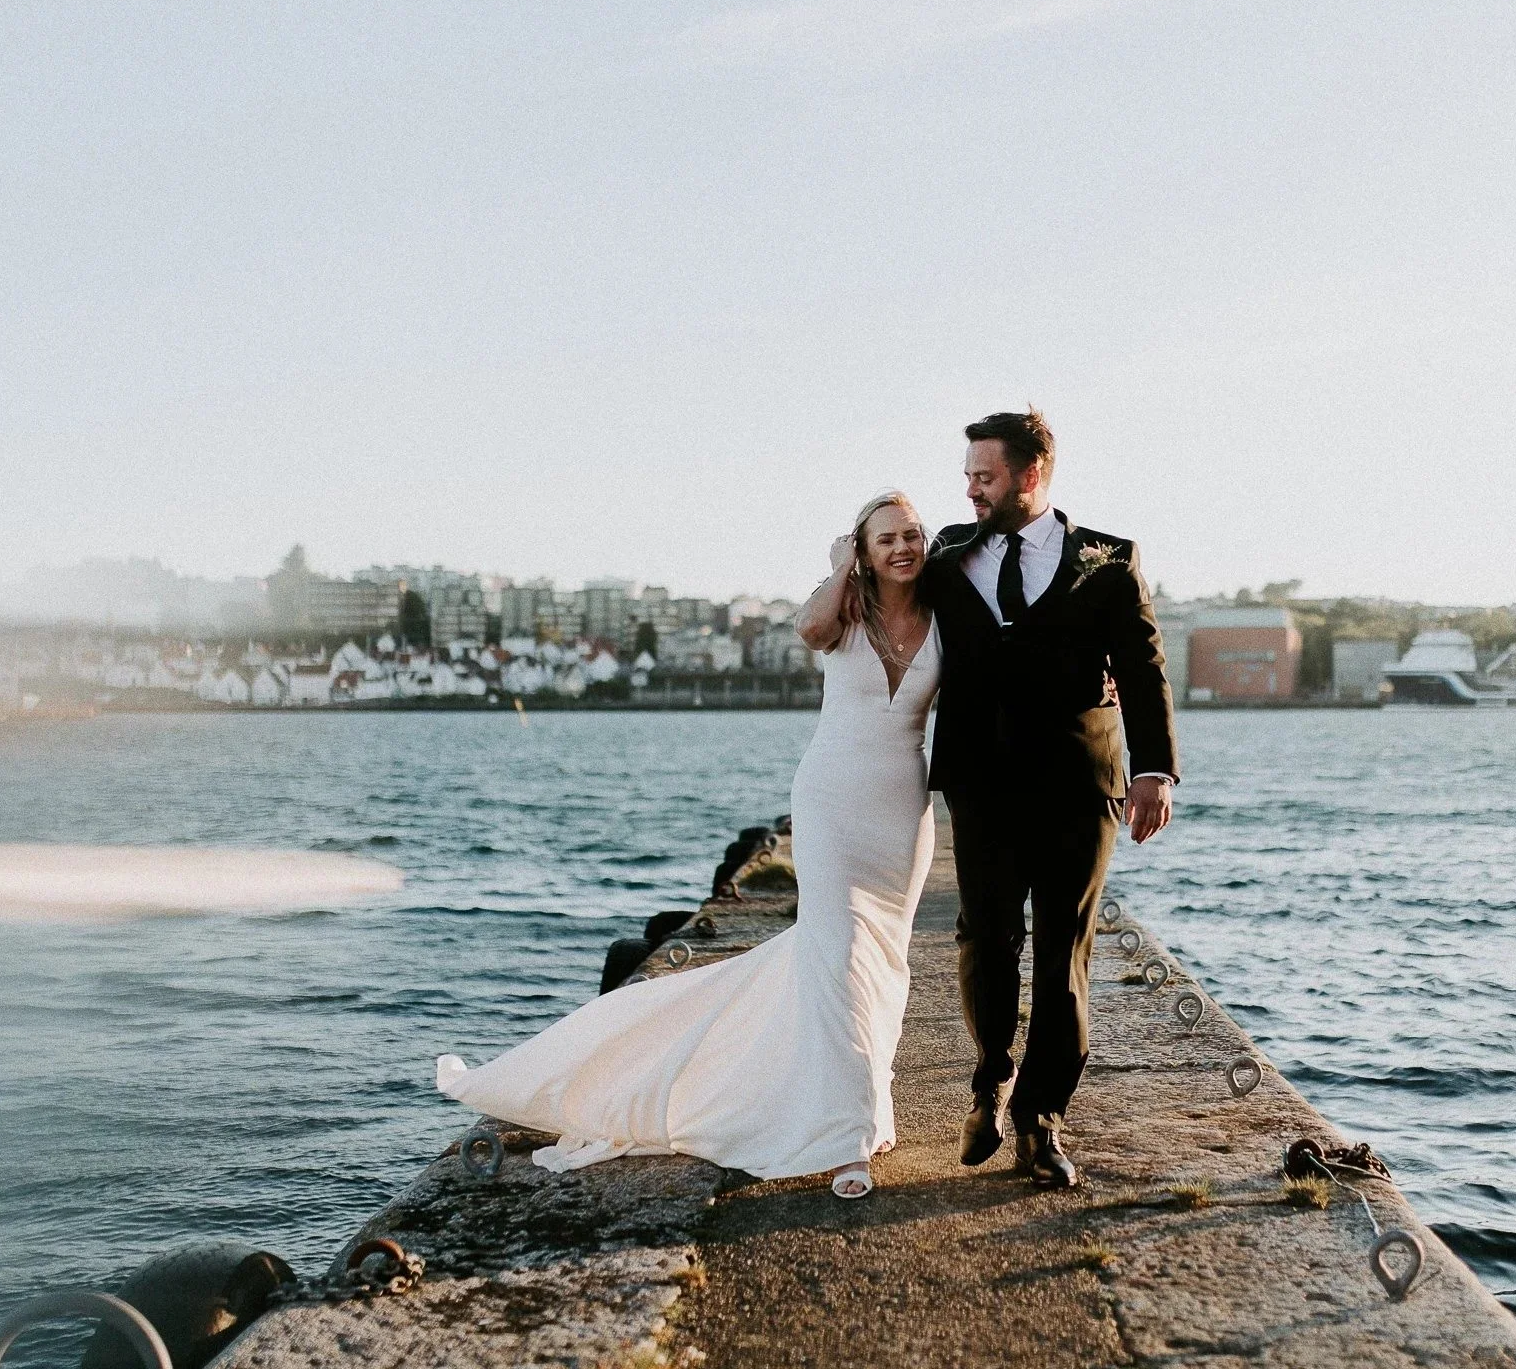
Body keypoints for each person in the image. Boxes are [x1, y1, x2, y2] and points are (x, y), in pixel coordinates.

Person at [435, 491, 938, 1200]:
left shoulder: (947, 618)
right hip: (830, 801)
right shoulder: (844, 609)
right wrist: (841, 566)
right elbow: (810, 626)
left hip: (900, 812)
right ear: (864, 546)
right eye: (885, 538)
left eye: (911, 535)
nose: (902, 548)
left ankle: (863, 1104)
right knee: (839, 957)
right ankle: (850, 1136)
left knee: (883, 962)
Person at [923, 408, 1179, 1190]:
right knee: (985, 937)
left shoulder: (1106, 559)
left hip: (1079, 783)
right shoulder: (944, 555)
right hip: (980, 782)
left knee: (1065, 949)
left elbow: (1141, 666)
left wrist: (1154, 770)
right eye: (968, 475)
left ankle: (1042, 1119)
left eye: (985, 475)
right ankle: (990, 1077)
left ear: (1031, 474)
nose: (970, 489)